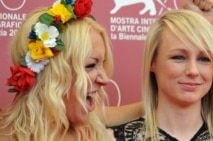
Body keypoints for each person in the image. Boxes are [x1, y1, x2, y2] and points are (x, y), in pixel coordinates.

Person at [0, 0, 143, 140]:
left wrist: (152, 104)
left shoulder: (90, 124)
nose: (105, 79)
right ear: (52, 74)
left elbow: (110, 114)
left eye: (102, 63)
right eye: (90, 65)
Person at [111, 5, 213, 141]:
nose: (193, 71)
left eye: (204, 59)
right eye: (178, 57)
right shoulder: (112, 137)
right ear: (152, 62)